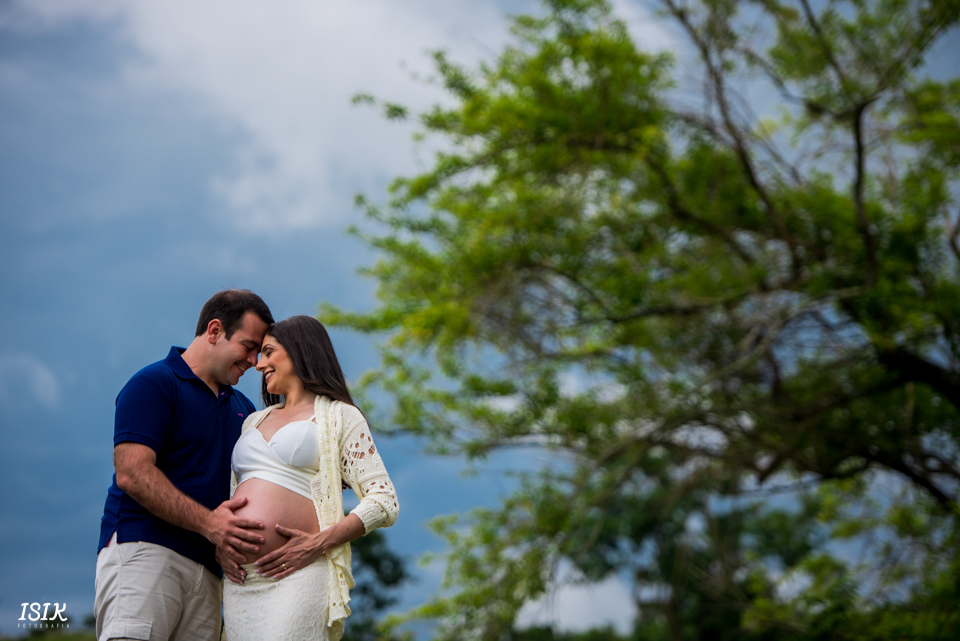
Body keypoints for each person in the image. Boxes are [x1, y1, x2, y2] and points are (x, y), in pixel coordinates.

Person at [95, 289, 275, 641]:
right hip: (146, 550)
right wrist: (210, 524)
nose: (255, 361)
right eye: (248, 346)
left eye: (260, 351)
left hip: (210, 572)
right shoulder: (154, 383)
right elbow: (132, 473)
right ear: (214, 330)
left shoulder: (246, 409)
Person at [219, 315, 399, 641]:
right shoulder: (253, 422)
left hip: (299, 575)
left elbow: (384, 500)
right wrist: (222, 541)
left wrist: (319, 543)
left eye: (269, 352)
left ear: (299, 351)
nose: (259, 365)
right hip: (240, 583)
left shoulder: (339, 416)